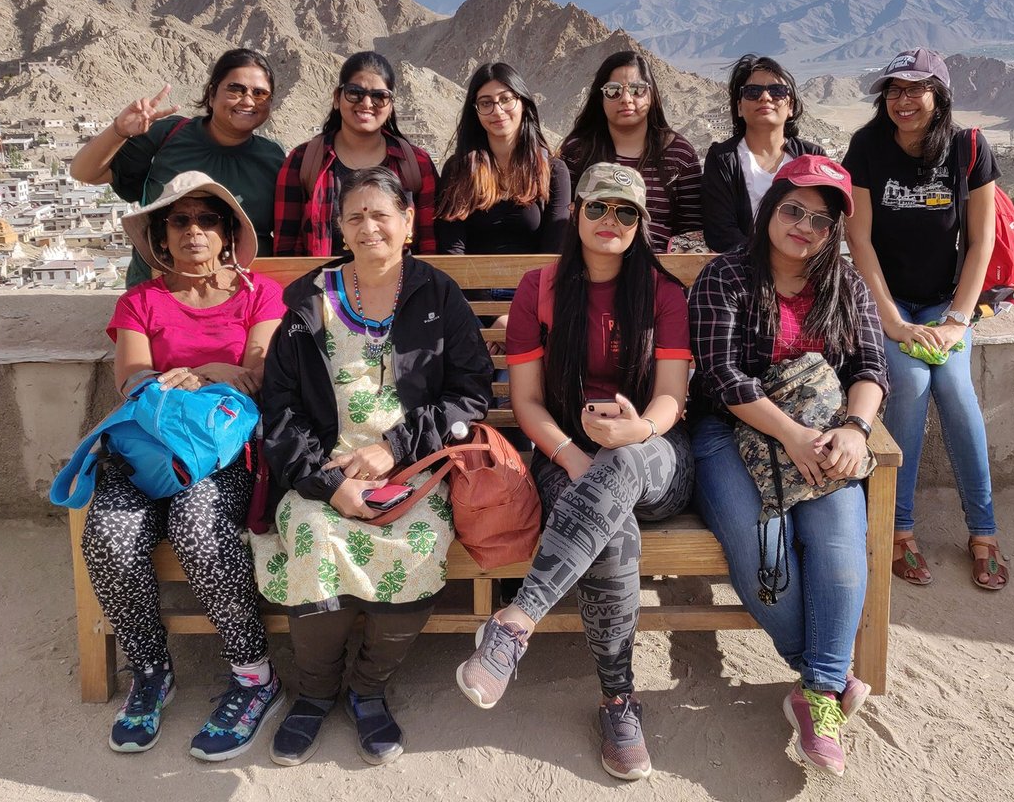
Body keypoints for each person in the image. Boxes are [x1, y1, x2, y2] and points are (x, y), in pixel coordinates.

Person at [453, 163, 693, 782]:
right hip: (567, 455)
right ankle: (619, 701)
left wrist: (634, 433)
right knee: (610, 530)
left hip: (656, 457)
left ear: (641, 225)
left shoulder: (664, 294)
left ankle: (518, 619)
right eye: (598, 209)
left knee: (621, 471)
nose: (610, 222)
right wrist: (576, 458)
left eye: (626, 213)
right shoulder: (541, 288)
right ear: (577, 212)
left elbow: (670, 399)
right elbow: (529, 404)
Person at [253, 166, 493, 768]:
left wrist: (396, 449)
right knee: (311, 535)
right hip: (319, 473)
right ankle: (313, 694)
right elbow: (279, 411)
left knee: (416, 542)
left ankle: (368, 689)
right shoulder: (310, 303)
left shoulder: (438, 296)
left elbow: (469, 392)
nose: (369, 227)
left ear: (408, 223)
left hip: (413, 472)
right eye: (355, 216)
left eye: (381, 214)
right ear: (340, 227)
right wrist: (331, 485)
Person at [688, 156, 888, 775]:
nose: (804, 226)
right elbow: (721, 376)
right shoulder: (724, 276)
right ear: (770, 208)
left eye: (821, 221)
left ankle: (818, 700)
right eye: (793, 210)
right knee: (762, 550)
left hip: (825, 433)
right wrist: (795, 436)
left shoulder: (845, 286)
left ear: (834, 234)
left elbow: (871, 369)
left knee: (836, 543)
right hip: (728, 429)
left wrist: (854, 430)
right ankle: (827, 678)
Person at [82, 171, 287, 761]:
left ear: (226, 233)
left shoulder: (258, 295)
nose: (194, 230)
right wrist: (207, 378)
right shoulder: (140, 302)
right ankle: (150, 669)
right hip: (148, 445)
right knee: (110, 535)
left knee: (200, 529)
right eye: (180, 220)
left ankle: (254, 675)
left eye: (207, 219)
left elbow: (259, 372)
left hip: (220, 451)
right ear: (161, 235)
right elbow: (132, 381)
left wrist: (206, 376)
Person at [842, 48, 1008, 592]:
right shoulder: (867, 147)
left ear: (940, 96)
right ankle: (898, 527)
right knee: (909, 385)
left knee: (956, 391)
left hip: (945, 302)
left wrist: (959, 319)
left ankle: (983, 532)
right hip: (886, 299)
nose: (903, 100)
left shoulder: (968, 148)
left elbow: (981, 241)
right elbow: (858, 240)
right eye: (894, 89)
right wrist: (890, 320)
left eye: (916, 89)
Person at [70, 48, 285, 287]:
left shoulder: (273, 157)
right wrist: (119, 131)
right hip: (161, 292)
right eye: (236, 89)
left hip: (246, 295)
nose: (247, 100)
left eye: (259, 93)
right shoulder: (167, 136)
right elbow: (85, 173)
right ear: (212, 94)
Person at [269, 51, 438, 256]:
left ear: (390, 106)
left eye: (379, 96)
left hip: (402, 285)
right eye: (355, 92)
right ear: (337, 98)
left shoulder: (416, 163)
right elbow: (286, 248)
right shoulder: (303, 160)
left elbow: (431, 247)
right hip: (323, 286)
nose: (367, 103)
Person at [559, 51, 702, 253]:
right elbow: (564, 219)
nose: (626, 99)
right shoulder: (577, 150)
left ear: (652, 96)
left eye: (637, 89)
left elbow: (693, 229)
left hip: (659, 273)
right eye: (613, 91)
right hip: (591, 272)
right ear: (600, 98)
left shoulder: (679, 153)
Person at [435, 62, 570, 256]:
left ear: (523, 103)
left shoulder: (554, 171)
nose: (497, 111)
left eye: (506, 99)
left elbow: (555, 250)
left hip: (534, 285)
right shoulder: (458, 169)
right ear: (476, 111)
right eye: (486, 103)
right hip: (470, 284)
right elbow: (452, 249)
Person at [702, 54, 828, 253]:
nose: (765, 97)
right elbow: (720, 232)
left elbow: (823, 221)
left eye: (777, 91)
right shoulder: (723, 159)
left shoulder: (812, 157)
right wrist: (765, 263)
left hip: (803, 272)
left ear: (791, 107)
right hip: (743, 274)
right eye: (752, 92)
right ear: (740, 108)